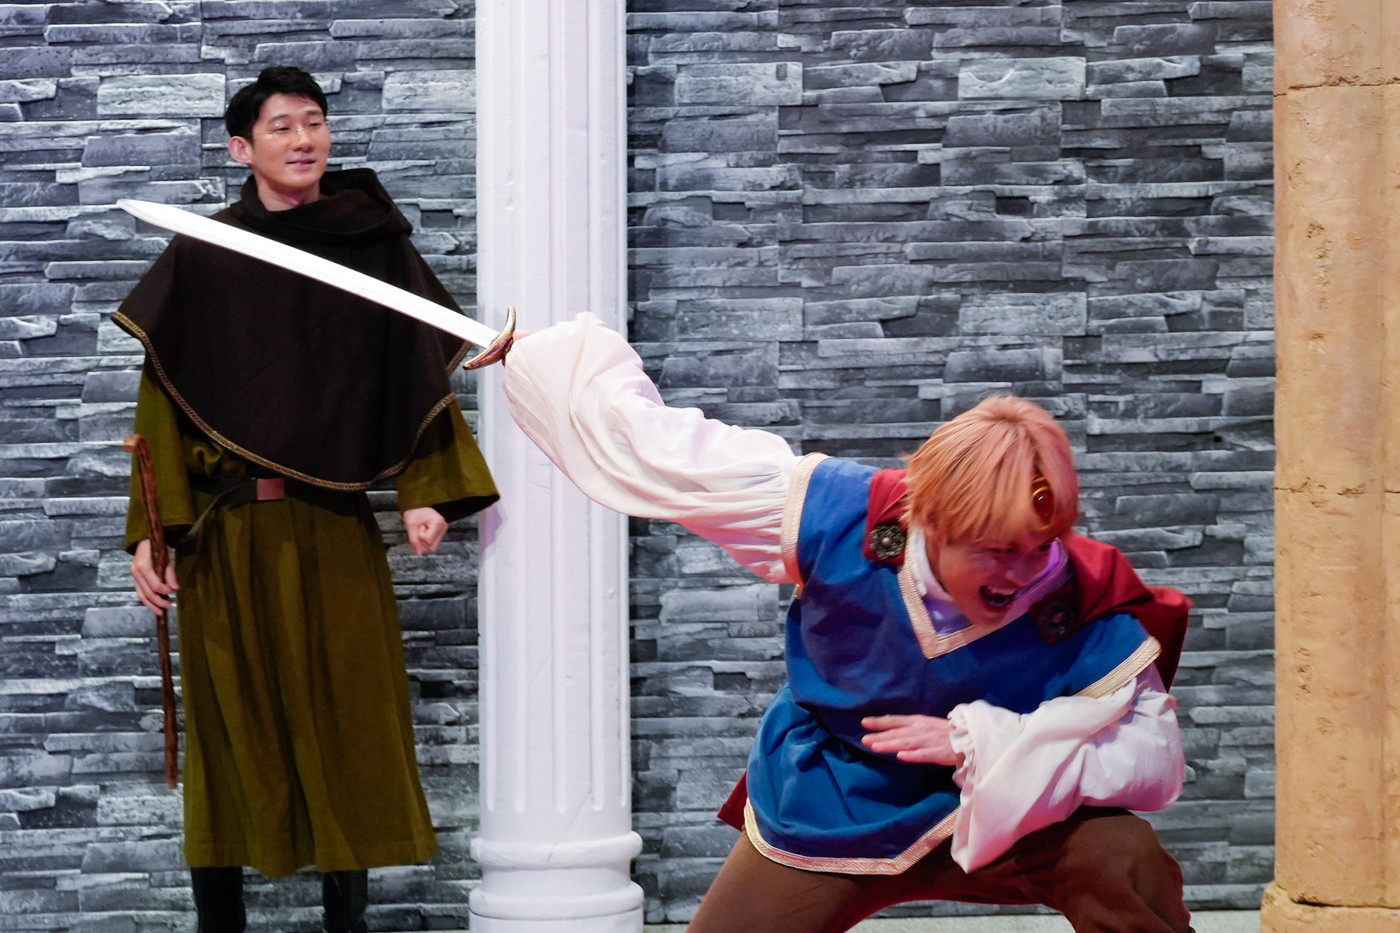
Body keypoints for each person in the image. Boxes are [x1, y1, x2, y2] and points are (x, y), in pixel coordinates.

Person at [501, 314, 1194, 933]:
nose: (1021, 572)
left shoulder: (1082, 594)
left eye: (1038, 547)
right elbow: (664, 452)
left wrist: (980, 741)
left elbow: (1153, 761)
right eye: (996, 549)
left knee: (1123, 857)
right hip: (836, 799)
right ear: (932, 521)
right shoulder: (835, 515)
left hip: (1008, 807)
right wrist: (558, 366)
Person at [119, 66, 498, 933]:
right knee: (231, 726)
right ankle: (220, 923)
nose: (303, 139)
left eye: (314, 122)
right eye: (282, 126)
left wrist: (425, 490)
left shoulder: (370, 243)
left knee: (344, 718)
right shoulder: (206, 253)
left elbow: (414, 372)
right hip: (224, 533)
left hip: (332, 524)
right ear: (241, 148)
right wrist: (151, 530)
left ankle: (345, 922)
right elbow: (160, 401)